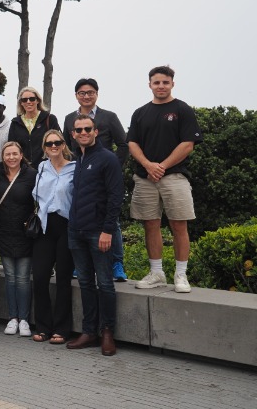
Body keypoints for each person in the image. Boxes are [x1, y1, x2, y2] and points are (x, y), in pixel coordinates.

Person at [128, 66, 202, 293]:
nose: (161, 86)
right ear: (149, 84)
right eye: (156, 82)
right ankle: (156, 273)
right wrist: (148, 165)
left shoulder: (182, 109)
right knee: (150, 224)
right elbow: (132, 143)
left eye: (165, 82)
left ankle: (181, 275)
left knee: (179, 225)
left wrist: (162, 166)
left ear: (172, 83)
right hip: (145, 177)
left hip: (175, 176)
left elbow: (188, 144)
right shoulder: (140, 112)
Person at [66, 115, 124, 356]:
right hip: (76, 231)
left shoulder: (108, 159)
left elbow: (115, 197)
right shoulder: (77, 159)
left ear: (96, 131)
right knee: (86, 283)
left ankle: (107, 332)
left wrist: (107, 230)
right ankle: (89, 331)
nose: (83, 132)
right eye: (78, 129)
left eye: (87, 128)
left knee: (105, 283)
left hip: (98, 233)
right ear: (73, 134)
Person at [62, 78, 129, 282]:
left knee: (111, 221)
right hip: (81, 175)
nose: (86, 96)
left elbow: (123, 145)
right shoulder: (69, 118)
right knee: (80, 218)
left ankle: (117, 262)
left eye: (90, 92)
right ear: (76, 96)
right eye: (82, 93)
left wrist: (114, 167)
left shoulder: (109, 117)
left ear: (97, 94)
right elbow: (67, 147)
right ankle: (81, 264)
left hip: (104, 175)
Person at [31, 130, 75, 344]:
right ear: (44, 147)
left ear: (64, 144)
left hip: (66, 225)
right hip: (45, 225)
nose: (54, 146)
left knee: (64, 279)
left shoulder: (75, 168)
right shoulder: (41, 168)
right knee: (39, 277)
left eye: (57, 142)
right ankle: (43, 326)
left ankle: (62, 328)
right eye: (49, 143)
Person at [0, 141, 37, 338]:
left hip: (24, 232)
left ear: (21, 155)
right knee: (10, 277)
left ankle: (24, 319)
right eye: (7, 154)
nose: (11, 157)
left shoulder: (31, 174)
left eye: (14, 154)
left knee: (23, 278)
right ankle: (13, 317)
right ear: (3, 157)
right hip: (3, 231)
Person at [8, 86, 60, 168]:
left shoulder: (49, 119)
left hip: (47, 167)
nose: (28, 102)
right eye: (24, 100)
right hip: (23, 170)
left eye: (32, 99)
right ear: (21, 103)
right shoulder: (15, 123)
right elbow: (11, 148)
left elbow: (58, 143)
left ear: (38, 100)